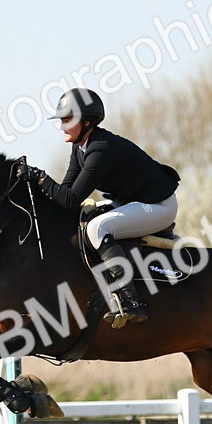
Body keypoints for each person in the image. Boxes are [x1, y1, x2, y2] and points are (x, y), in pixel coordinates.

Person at [22, 88, 180, 328]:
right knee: (85, 218)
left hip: (157, 205)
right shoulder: (80, 148)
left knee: (97, 228)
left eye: (67, 120)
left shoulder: (101, 148)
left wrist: (41, 178)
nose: (61, 127)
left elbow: (69, 199)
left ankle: (131, 300)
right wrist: (34, 186)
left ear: (86, 121)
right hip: (132, 202)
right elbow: (64, 195)